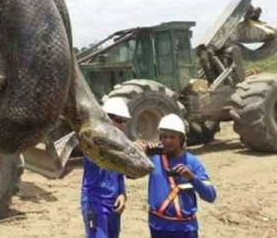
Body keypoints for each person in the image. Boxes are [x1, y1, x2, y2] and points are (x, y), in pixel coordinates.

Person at [138, 114, 217, 238]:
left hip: (185, 229)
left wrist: (191, 178)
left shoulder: (193, 162)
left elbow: (210, 196)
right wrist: (140, 154)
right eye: (164, 137)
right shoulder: (153, 158)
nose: (168, 141)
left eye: (172, 137)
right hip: (158, 227)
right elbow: (130, 176)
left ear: (181, 139)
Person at [81, 97, 131, 238]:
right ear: (107, 119)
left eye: (124, 121)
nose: (122, 125)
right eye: (119, 120)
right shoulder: (91, 141)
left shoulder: (119, 144)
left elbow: (119, 173)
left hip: (114, 203)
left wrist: (122, 193)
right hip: (95, 202)